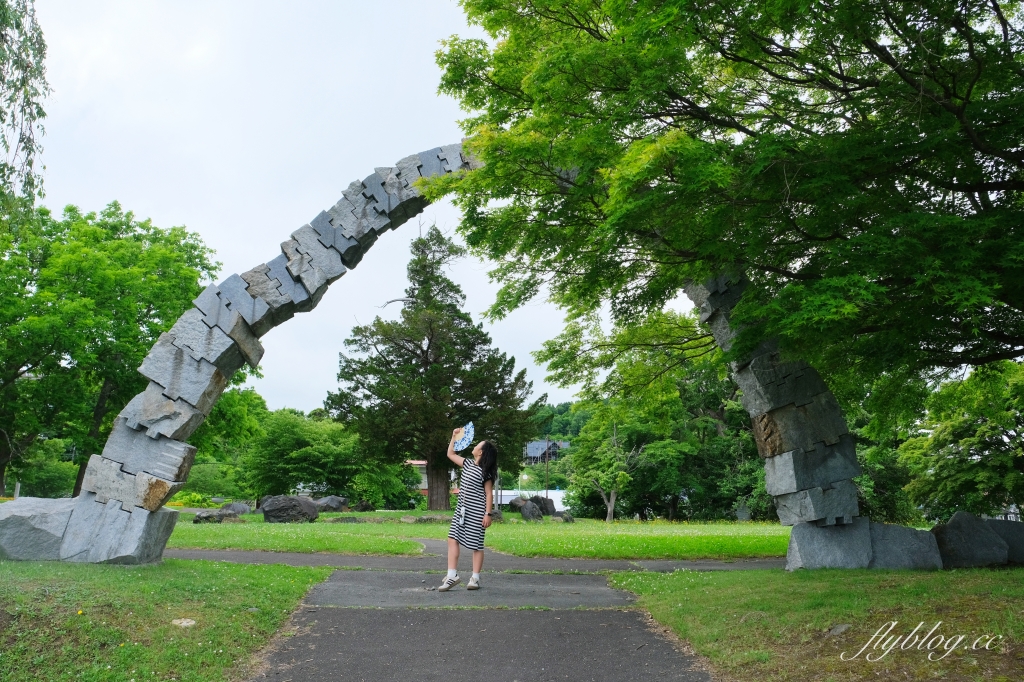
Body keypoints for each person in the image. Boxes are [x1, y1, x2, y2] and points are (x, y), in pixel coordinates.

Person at [439, 430, 497, 591]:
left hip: (477, 511)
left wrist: (488, 514)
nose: (475, 445)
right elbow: (450, 453)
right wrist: (453, 437)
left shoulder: (486, 472)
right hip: (461, 510)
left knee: (476, 545)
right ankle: (452, 576)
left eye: (478, 445)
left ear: (481, 452)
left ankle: (475, 579)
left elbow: (488, 494)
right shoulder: (468, 464)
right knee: (452, 539)